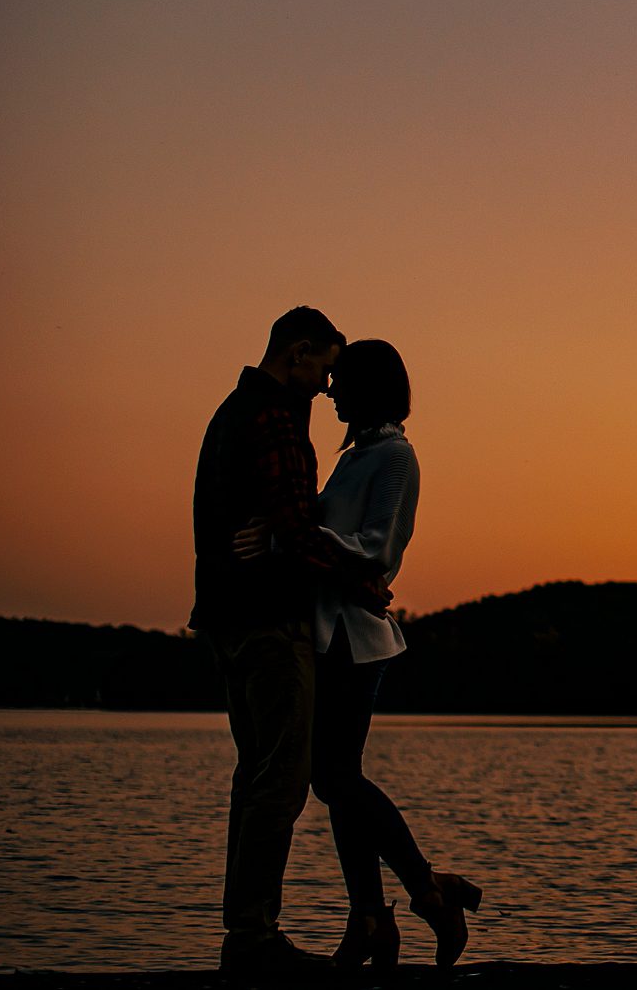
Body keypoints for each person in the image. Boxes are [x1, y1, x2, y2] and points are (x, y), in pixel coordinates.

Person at [235, 338, 481, 969]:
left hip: (355, 638)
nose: (329, 389)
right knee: (335, 781)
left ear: (368, 387)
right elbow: (322, 533)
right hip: (327, 630)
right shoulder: (357, 456)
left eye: (340, 380)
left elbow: (374, 549)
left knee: (335, 777)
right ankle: (373, 915)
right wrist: (284, 533)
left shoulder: (395, 456)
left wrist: (293, 534)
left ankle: (425, 891)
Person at [191, 306, 392, 974]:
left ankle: (245, 931)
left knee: (254, 776)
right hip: (270, 621)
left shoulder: (230, 411)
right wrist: (361, 584)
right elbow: (300, 529)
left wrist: (279, 532)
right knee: (281, 778)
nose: (328, 385)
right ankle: (253, 938)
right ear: (298, 351)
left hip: (226, 619)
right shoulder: (274, 418)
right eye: (325, 367)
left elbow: (283, 523)